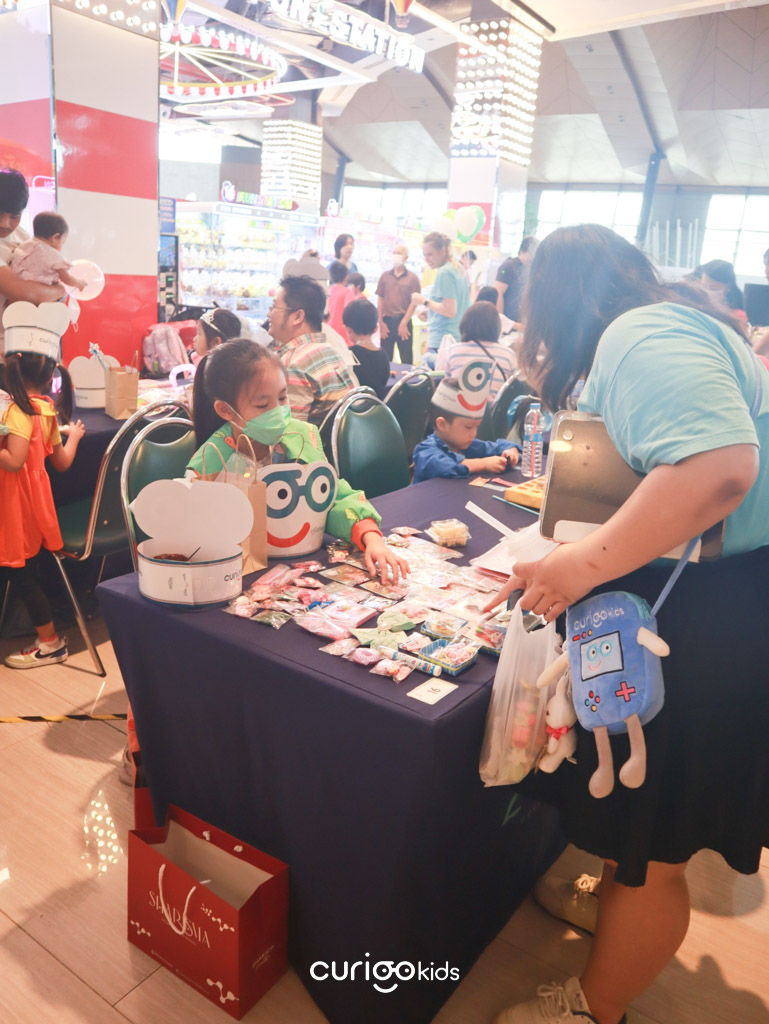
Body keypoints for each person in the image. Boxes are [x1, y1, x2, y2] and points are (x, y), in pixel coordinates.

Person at [487, 224, 769, 1024]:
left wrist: (578, 566)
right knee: (635, 832)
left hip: (698, 624)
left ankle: (593, 1008)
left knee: (651, 851)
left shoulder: (640, 334)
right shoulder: (673, 323)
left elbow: (718, 469)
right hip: (704, 607)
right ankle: (614, 901)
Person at [187, 339, 406, 583]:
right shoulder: (209, 464)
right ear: (226, 410)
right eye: (263, 404)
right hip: (238, 578)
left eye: (283, 398)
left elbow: (332, 496)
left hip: (303, 565)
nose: (278, 412)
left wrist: (371, 538)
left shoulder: (300, 437)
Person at [0, 349, 85, 669]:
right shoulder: (45, 409)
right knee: (25, 569)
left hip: (16, 504)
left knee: (21, 573)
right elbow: (61, 462)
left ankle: (50, 643)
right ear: (50, 377)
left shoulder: (20, 412)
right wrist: (74, 436)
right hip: (32, 503)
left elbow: (14, 461)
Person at [266, 275, 355, 427]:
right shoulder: (330, 352)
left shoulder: (294, 364)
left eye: (274, 307)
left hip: (310, 441)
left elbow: (290, 432)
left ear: (298, 316)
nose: (269, 314)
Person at [0, 170, 64, 353]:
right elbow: (21, 291)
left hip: (22, 343)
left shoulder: (25, 237)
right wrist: (62, 289)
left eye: (14, 216)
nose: (5, 224)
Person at [412, 377, 520, 484]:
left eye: (477, 427)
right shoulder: (425, 451)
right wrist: (483, 464)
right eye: (468, 427)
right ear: (442, 425)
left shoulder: (468, 446)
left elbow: (499, 446)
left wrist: (510, 452)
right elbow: (446, 467)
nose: (474, 434)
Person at [403, 232, 470, 369]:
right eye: (425, 255)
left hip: (442, 340)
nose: (426, 259)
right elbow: (454, 308)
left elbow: (449, 310)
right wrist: (431, 312)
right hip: (455, 336)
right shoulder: (457, 268)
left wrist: (424, 301)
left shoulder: (445, 272)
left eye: (430, 254)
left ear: (442, 251)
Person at [445, 301, 516, 401]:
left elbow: (447, 388)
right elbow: (514, 392)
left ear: (465, 324)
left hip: (459, 409)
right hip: (495, 410)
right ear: (496, 326)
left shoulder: (453, 351)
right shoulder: (508, 354)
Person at [10, 212, 86, 292]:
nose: (62, 244)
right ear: (55, 237)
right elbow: (67, 279)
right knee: (61, 291)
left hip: (16, 286)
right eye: (63, 241)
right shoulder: (54, 256)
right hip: (36, 291)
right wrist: (79, 283)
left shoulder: (26, 244)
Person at [376, 244, 420, 364]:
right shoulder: (385, 276)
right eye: (394, 252)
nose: (396, 255)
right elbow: (380, 299)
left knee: (406, 357)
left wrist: (404, 322)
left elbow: (414, 302)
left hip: (404, 321)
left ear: (406, 258)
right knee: (385, 358)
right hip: (387, 321)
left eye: (399, 253)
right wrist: (381, 322)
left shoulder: (413, 278)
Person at [342, 298, 389, 399]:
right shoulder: (383, 354)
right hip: (378, 404)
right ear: (375, 328)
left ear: (348, 330)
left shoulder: (349, 355)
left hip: (355, 406)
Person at [495, 235, 538, 324]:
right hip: (507, 320)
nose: (533, 258)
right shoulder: (509, 266)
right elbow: (498, 292)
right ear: (523, 251)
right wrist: (501, 320)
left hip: (519, 320)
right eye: (531, 253)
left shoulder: (528, 269)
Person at [698, 259, 747, 324]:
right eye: (704, 286)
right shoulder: (697, 306)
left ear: (729, 286)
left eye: (714, 288)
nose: (707, 291)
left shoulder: (737, 315)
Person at [327, 260, 353, 341]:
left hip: (328, 332)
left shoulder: (327, 291)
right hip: (343, 334)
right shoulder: (348, 292)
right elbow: (350, 313)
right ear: (346, 277)